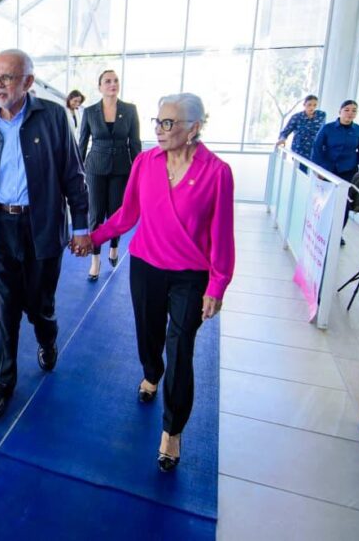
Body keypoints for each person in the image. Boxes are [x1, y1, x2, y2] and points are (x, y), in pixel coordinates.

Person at [91, 93, 234, 473]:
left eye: (168, 123)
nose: (159, 129)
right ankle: (151, 373)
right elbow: (127, 213)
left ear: (194, 128)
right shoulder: (145, 162)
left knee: (181, 345)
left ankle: (172, 430)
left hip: (191, 275)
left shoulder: (217, 172)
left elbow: (222, 234)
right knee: (149, 332)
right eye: (157, 121)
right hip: (146, 266)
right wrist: (95, 237)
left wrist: (216, 286)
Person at [0, 49, 91, 421]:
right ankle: (1, 385)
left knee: (39, 306)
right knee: (3, 311)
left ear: (28, 82)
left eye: (7, 78)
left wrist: (80, 226)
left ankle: (48, 338)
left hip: (42, 226)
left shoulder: (51, 117)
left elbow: (73, 174)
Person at [77, 70, 142, 282]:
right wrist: (77, 170)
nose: (112, 84)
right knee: (95, 213)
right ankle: (95, 259)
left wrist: (139, 172)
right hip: (95, 167)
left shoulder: (130, 110)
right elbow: (83, 142)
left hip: (122, 168)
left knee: (116, 212)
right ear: (100, 87)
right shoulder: (90, 111)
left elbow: (135, 143)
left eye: (115, 81)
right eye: (107, 81)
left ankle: (114, 247)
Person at [311, 99, 359, 244]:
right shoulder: (328, 128)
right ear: (340, 111)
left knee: (344, 206)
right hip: (328, 171)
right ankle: (320, 231)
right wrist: (319, 169)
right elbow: (317, 148)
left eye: (354, 110)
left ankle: (337, 234)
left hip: (349, 172)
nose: (350, 113)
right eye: (347, 110)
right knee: (326, 203)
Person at [277, 95, 326, 167]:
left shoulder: (321, 115)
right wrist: (282, 139)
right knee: (301, 173)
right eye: (309, 105)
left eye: (314, 105)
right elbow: (285, 131)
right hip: (300, 152)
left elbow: (323, 132)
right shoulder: (297, 117)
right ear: (304, 105)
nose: (312, 107)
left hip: (315, 151)